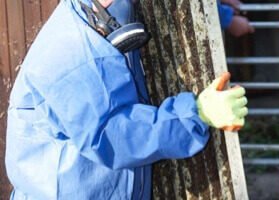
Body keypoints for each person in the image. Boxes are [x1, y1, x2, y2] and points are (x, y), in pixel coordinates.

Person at [5, 0, 248, 199]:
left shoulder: (99, 19)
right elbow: (114, 136)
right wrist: (197, 113)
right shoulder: (75, 52)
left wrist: (221, 10)